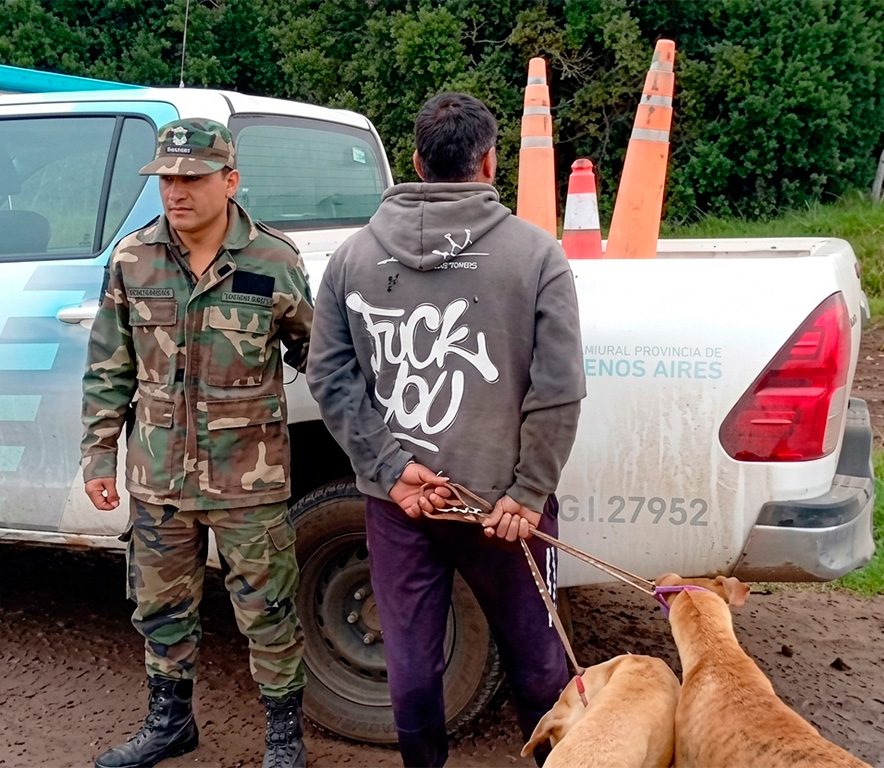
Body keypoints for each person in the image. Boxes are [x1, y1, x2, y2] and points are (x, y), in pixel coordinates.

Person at [306, 93, 586, 767]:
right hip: (503, 511)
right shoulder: (536, 255)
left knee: (410, 667)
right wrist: (527, 492)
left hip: (402, 504)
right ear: (489, 161)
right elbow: (558, 388)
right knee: (540, 663)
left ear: (415, 162)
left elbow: (329, 375)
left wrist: (390, 469)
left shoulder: (350, 259)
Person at [80, 118, 311, 768]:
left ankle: (284, 740)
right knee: (160, 608)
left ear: (230, 181)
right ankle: (170, 724)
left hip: (249, 482)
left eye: (192, 178)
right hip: (160, 477)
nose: (175, 191)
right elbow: (108, 368)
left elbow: (319, 354)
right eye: (166, 179)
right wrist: (99, 454)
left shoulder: (274, 261)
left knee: (268, 610)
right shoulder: (134, 259)